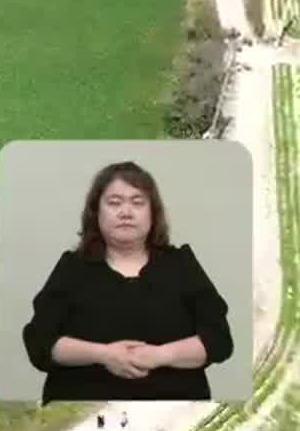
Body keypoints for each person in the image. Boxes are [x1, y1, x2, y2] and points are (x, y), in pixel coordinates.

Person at [23, 161, 233, 402]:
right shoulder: (72, 268)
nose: (126, 212)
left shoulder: (181, 264)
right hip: (82, 412)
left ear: (153, 213)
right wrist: (102, 354)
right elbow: (39, 342)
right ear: (96, 212)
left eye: (137, 202)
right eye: (114, 203)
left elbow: (219, 340)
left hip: (174, 412)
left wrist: (159, 355)